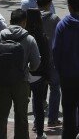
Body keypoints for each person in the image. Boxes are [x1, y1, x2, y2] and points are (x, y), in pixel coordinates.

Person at [0, 8, 42, 139]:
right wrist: (29, 69)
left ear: (10, 21)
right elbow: (36, 63)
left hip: (0, 82)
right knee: (21, 116)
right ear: (24, 22)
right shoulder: (29, 39)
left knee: (0, 117)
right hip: (21, 82)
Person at [52, 0, 79, 139]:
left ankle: (68, 136)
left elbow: (56, 50)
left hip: (67, 75)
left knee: (68, 109)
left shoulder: (62, 25)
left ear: (69, 6)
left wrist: (59, 69)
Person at [25, 9, 55, 139]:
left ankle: (22, 132)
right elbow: (47, 57)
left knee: (22, 105)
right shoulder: (41, 36)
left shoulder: (24, 34)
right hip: (39, 74)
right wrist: (48, 76)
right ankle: (40, 132)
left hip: (24, 75)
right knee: (39, 105)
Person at [36, 0, 63, 130]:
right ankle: (52, 119)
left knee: (38, 92)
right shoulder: (54, 18)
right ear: (49, 3)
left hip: (36, 60)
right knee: (55, 89)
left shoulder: (31, 19)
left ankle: (37, 122)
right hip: (51, 59)